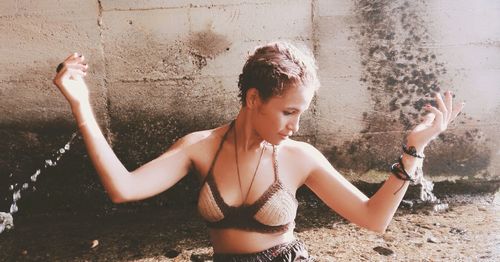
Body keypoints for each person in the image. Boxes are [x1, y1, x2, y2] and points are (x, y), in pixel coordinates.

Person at [53, 41, 464, 261]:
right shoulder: (199, 148)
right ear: (253, 99)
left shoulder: (300, 158)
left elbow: (373, 219)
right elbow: (122, 188)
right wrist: (81, 105)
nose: (296, 125)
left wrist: (414, 148)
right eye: (288, 112)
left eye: (301, 113)